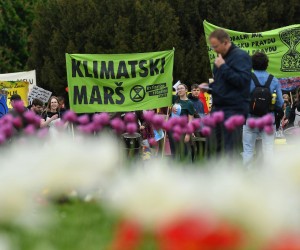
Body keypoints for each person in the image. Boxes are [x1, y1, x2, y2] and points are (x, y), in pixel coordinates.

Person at [208, 29, 252, 154]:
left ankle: (230, 173)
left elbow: (242, 81)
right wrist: (209, 87)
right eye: (212, 46)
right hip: (218, 108)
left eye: (216, 46)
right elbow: (222, 83)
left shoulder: (240, 56)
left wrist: (223, 66)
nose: (214, 49)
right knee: (214, 148)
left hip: (233, 108)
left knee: (229, 150)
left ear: (225, 42)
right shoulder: (220, 59)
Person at [243, 52, 283, 167]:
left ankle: (247, 177)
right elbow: (280, 102)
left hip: (250, 119)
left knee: (248, 150)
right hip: (268, 120)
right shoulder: (274, 80)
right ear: (267, 64)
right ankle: (268, 178)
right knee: (269, 150)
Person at [169, 83, 195, 160]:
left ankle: (186, 169)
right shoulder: (174, 98)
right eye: (178, 89)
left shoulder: (189, 103)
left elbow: (190, 120)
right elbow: (166, 103)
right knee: (174, 151)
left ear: (186, 90)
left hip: (183, 130)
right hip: (172, 129)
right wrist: (171, 108)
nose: (179, 90)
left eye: (181, 88)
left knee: (184, 151)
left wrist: (188, 134)